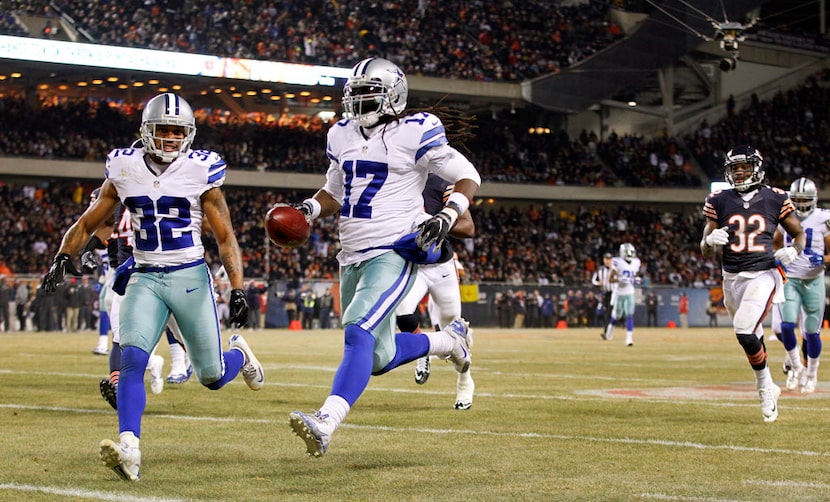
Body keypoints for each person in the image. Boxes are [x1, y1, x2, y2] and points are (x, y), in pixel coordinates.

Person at [40, 92, 264, 481]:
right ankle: (129, 447)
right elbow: (88, 222)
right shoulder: (124, 167)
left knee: (211, 377)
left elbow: (226, 238)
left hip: (190, 276)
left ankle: (240, 358)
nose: (171, 139)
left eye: (178, 132)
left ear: (189, 134)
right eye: (164, 130)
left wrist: (238, 288)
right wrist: (63, 256)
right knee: (131, 361)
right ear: (146, 131)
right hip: (144, 276)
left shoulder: (200, 171)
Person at [287, 57, 480, 457]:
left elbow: (468, 175)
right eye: (354, 96)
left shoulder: (416, 130)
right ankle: (449, 341)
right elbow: (334, 190)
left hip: (393, 250)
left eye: (367, 95)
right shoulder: (340, 134)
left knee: (357, 331)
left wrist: (446, 215)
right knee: (378, 356)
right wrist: (308, 209)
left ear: (393, 96)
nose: (358, 104)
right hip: (351, 252)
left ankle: (326, 421)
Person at [700, 145, 805, 423]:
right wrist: (710, 242)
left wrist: (794, 250)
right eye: (735, 168)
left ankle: (764, 388)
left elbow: (799, 234)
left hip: (763, 273)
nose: (740, 172)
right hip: (731, 277)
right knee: (752, 333)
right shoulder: (718, 200)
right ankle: (770, 385)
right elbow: (704, 246)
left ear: (757, 167)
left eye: (744, 167)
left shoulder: (775, 197)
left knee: (744, 330)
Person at [395, 174, 476, 410]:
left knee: (454, 331)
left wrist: (437, 223)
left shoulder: (439, 184)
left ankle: (464, 381)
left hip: (440, 266)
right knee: (402, 312)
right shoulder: (391, 183)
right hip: (411, 266)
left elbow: (468, 227)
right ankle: (423, 352)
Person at [772, 177, 829, 393]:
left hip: (814, 279)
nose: (801, 203)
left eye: (805, 199)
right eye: (797, 199)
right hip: (790, 279)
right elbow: (775, 245)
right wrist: (776, 256)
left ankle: (812, 374)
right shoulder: (783, 216)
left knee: (811, 332)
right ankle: (797, 368)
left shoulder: (824, 218)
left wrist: (823, 260)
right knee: (786, 326)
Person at [602, 243, 641, 346]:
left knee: (629, 314)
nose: (630, 255)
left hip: (630, 292)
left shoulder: (636, 262)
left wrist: (636, 279)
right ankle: (610, 329)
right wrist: (619, 279)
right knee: (617, 316)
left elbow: (635, 275)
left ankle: (629, 339)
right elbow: (610, 279)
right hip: (619, 293)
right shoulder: (617, 262)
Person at [592, 253, 614, 332]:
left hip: (615, 293)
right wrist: (598, 283)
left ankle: (611, 327)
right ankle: (606, 330)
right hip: (606, 293)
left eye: (609, 259)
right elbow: (593, 280)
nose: (608, 261)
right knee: (607, 311)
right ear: (604, 260)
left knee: (614, 312)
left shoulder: (615, 269)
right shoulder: (600, 270)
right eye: (606, 259)